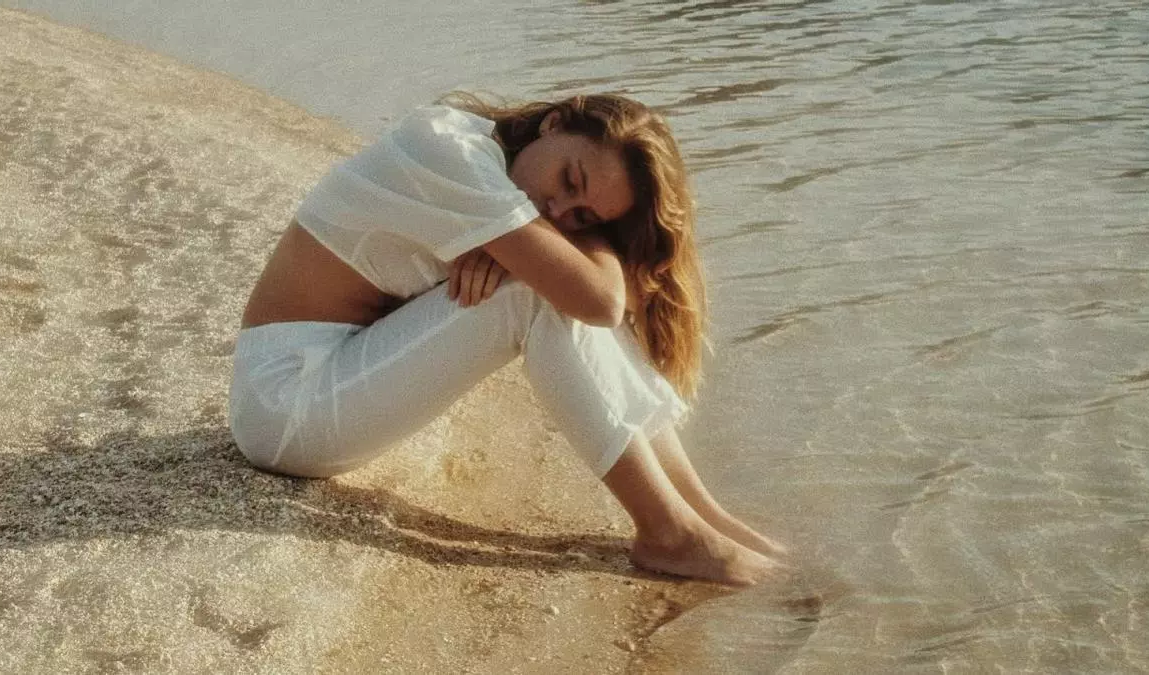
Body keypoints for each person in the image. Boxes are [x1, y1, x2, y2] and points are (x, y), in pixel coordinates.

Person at [229, 92, 784, 586]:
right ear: (554, 123)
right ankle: (668, 532)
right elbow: (602, 301)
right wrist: (552, 248)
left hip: (332, 381)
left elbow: (613, 296)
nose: (558, 210)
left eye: (584, 216)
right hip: (288, 407)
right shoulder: (449, 152)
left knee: (541, 283)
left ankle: (701, 512)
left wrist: (533, 244)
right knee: (532, 294)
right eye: (569, 181)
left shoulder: (488, 171)